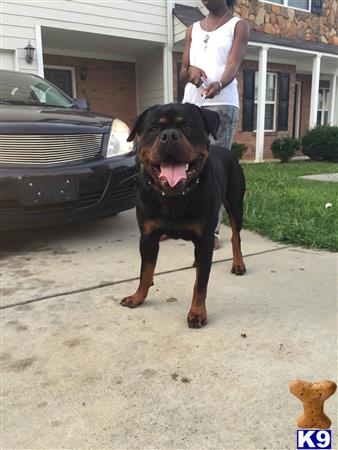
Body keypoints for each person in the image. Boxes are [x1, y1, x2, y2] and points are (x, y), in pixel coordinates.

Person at [180, 0, 249, 250]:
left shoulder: (237, 26)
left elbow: (234, 63)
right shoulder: (192, 29)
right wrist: (191, 71)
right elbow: (183, 70)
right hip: (192, 104)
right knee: (184, 161)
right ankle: (181, 220)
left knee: (215, 166)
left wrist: (219, 84)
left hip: (222, 104)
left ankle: (213, 229)